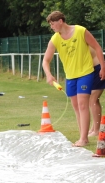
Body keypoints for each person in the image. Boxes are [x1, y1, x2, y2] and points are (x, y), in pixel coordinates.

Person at [42, 11, 105, 147]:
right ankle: (82, 134)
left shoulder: (80, 31)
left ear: (60, 21)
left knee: (83, 104)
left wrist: (103, 67)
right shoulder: (55, 39)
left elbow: (97, 48)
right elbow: (45, 60)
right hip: (70, 77)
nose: (51, 27)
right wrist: (48, 74)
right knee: (76, 107)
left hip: (85, 73)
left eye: (53, 24)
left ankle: (84, 138)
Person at [88, 47, 105, 136]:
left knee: (93, 99)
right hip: (93, 70)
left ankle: (97, 130)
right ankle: (94, 127)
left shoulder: (81, 37)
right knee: (92, 100)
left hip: (98, 69)